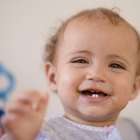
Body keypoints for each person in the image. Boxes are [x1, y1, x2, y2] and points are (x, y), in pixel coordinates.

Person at [1, 7, 140, 140]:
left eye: (115, 65)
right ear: (53, 77)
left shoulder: (130, 128)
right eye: (80, 60)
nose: (97, 74)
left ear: (134, 87)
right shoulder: (40, 133)